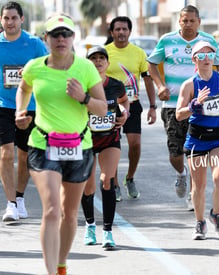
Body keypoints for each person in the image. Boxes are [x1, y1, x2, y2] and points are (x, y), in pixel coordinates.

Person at [15, 14, 107, 275]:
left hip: (80, 146)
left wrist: (84, 97)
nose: (61, 39)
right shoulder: (35, 66)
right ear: (46, 39)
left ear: (73, 38)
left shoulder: (85, 68)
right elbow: (23, 88)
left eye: (66, 34)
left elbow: (101, 110)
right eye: (55, 34)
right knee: (53, 209)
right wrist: (20, 113)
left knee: (68, 213)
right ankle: (51, 272)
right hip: (43, 144)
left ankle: (61, 263)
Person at [148, 5, 219, 210]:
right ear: (179, 22)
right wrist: (160, 85)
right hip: (174, 105)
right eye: (185, 20)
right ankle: (181, 174)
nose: (188, 24)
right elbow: (151, 64)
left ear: (199, 22)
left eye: (192, 20)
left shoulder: (208, 41)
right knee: (175, 151)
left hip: (202, 105)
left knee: (194, 151)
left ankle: (194, 194)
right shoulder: (167, 40)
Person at [176, 41, 219, 240]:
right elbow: (179, 114)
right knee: (199, 185)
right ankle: (199, 222)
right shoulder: (189, 85)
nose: (206, 59)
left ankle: (216, 214)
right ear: (194, 59)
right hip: (197, 139)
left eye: (209, 55)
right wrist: (194, 105)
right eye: (201, 56)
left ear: (215, 58)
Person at [0, 1, 48, 222]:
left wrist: (31, 73)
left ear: (21, 20)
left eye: (14, 18)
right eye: (6, 18)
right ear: (1, 20)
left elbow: (50, 68)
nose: (10, 22)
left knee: (25, 156)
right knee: (6, 154)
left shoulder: (34, 44)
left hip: (29, 107)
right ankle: (10, 204)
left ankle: (19, 198)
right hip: (3, 106)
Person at [81, 46, 129, 249]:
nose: (98, 61)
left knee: (107, 181)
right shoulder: (81, 85)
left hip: (110, 138)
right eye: (93, 58)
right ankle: (90, 225)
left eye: (102, 58)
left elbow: (125, 101)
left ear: (107, 63)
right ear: (87, 63)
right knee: (88, 185)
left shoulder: (116, 85)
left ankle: (108, 231)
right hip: (86, 141)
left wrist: (124, 113)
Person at [105, 16, 157, 201]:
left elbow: (148, 79)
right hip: (110, 107)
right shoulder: (104, 53)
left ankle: (130, 178)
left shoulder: (139, 53)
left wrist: (152, 106)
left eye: (124, 29)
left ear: (129, 31)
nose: (121, 32)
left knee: (135, 145)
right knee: (113, 146)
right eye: (117, 29)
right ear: (112, 32)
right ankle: (115, 183)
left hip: (132, 105)